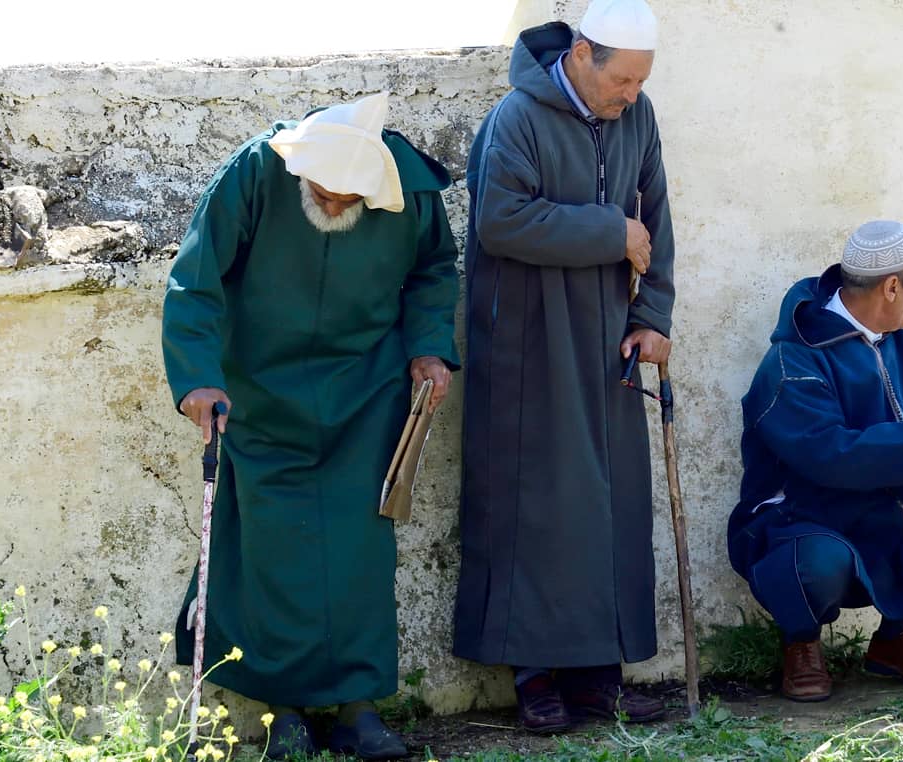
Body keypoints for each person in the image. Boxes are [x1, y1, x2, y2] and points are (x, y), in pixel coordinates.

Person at [161, 92, 460, 759]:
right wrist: (197, 379)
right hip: (262, 394)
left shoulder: (408, 192)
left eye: (343, 200)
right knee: (273, 554)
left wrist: (430, 347)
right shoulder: (253, 172)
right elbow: (196, 278)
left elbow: (433, 271)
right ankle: (285, 712)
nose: (329, 206)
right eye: (320, 193)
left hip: (365, 393)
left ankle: (358, 708)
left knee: (360, 554)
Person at [453, 0, 676, 734]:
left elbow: (659, 219)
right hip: (528, 339)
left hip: (609, 335)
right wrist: (610, 231)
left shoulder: (636, 117)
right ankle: (534, 675)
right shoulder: (515, 118)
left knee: (607, 505)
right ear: (582, 53)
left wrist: (653, 318)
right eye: (623, 81)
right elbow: (501, 220)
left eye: (641, 83)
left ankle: (598, 679)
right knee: (538, 503)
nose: (631, 96)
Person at [726, 220, 903, 702]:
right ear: (892, 285)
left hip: (879, 509)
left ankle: (895, 639)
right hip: (800, 520)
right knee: (818, 559)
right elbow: (829, 455)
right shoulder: (792, 361)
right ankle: (801, 644)